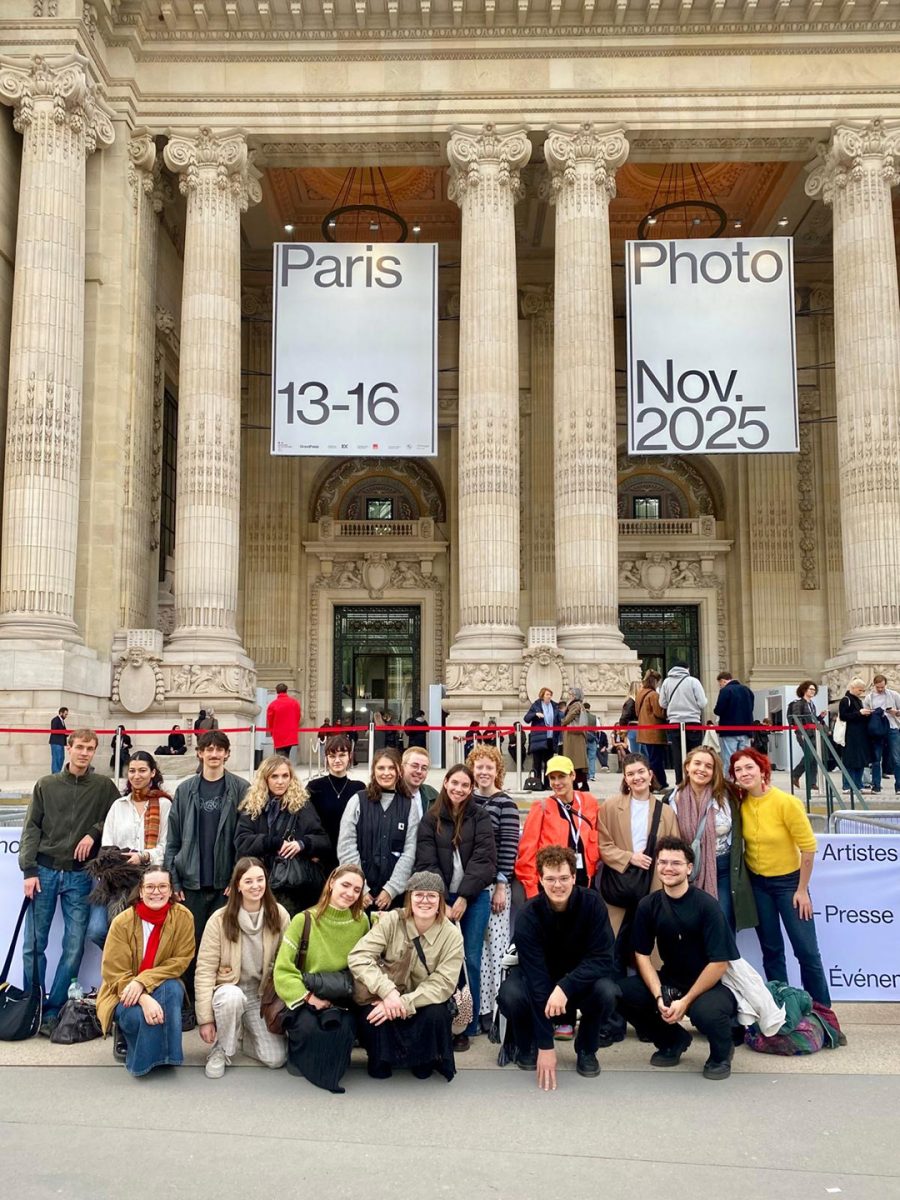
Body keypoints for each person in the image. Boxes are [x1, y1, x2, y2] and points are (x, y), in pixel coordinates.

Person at [19, 728, 119, 1035]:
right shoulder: (46, 785)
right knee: (34, 944)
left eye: (90, 748)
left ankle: (54, 1010)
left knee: (74, 945)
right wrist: (29, 870)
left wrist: (93, 831)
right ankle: (31, 1004)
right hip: (45, 871)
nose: (84, 753)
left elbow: (117, 816)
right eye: (80, 747)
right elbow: (32, 827)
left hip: (79, 876)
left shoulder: (104, 786)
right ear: (69, 748)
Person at [617, 837, 740, 1081]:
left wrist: (686, 1001)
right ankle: (672, 1041)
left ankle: (721, 1054)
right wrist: (658, 995)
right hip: (671, 980)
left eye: (676, 863)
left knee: (706, 1013)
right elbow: (641, 954)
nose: (668, 868)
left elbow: (720, 963)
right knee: (617, 992)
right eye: (663, 862)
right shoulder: (648, 905)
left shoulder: (708, 906)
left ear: (689, 868)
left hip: (711, 986)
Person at [498, 845, 619, 1088]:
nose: (558, 885)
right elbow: (537, 980)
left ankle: (586, 1049)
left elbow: (603, 958)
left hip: (578, 981)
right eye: (550, 879)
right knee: (510, 995)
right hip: (540, 978)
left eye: (564, 878)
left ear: (574, 877)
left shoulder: (593, 904)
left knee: (608, 992)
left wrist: (565, 986)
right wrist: (546, 1046)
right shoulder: (528, 914)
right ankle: (528, 1043)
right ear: (540, 880)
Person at [730, 747, 832, 1007]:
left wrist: (802, 889)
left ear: (763, 769)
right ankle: (783, 1008)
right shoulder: (740, 804)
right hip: (758, 885)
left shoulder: (786, 802)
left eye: (749, 767)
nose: (744, 773)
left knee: (806, 951)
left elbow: (808, 847)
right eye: (738, 769)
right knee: (772, 951)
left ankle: (822, 1011)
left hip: (789, 885)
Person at [348, 870, 465, 1081]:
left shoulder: (451, 935)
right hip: (387, 998)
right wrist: (388, 992)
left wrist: (402, 1002)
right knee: (371, 1016)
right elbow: (359, 956)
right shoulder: (392, 920)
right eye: (418, 894)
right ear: (409, 897)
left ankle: (423, 1059)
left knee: (437, 1014)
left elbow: (444, 983)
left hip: (420, 1003)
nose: (425, 901)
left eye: (432, 895)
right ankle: (381, 1058)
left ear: (440, 901)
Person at [164, 730, 250, 1004]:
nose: (214, 754)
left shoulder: (241, 788)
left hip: (225, 883)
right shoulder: (185, 790)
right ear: (200, 753)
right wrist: (173, 881)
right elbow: (173, 840)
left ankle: (218, 1002)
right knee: (191, 946)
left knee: (223, 947)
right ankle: (190, 1002)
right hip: (190, 883)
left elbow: (245, 841)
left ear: (227, 754)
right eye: (208, 749)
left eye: (219, 749)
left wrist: (237, 877)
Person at [414, 764, 496, 1049]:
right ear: (446, 782)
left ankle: (466, 1025)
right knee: (441, 962)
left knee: (469, 960)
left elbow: (484, 860)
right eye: (455, 783)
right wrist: (443, 901)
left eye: (465, 785)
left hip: (473, 899)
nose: (459, 789)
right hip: (439, 900)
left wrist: (463, 897)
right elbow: (427, 862)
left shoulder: (480, 816)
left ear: (471, 788)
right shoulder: (430, 819)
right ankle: (442, 1020)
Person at [274, 864, 370, 1093]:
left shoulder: (362, 922)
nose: (350, 893)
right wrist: (309, 998)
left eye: (357, 890)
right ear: (331, 882)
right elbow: (282, 970)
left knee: (341, 1028)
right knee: (309, 1027)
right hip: (308, 994)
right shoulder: (303, 920)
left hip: (342, 998)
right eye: (345, 885)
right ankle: (301, 1058)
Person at [96, 865, 195, 1077]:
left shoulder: (183, 917)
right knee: (139, 1017)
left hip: (159, 986)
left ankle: (166, 1057)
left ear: (170, 891)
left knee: (173, 989)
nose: (156, 892)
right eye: (150, 887)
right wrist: (142, 997)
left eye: (162, 886)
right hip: (122, 992)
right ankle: (139, 1059)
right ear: (140, 891)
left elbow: (181, 960)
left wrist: (143, 981)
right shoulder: (122, 922)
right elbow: (114, 972)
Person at [196, 857, 291, 1077]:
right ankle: (221, 1049)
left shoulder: (280, 915)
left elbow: (287, 962)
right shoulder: (219, 920)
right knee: (232, 997)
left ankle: (244, 1033)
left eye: (260, 879)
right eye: (248, 881)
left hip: (261, 995)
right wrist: (205, 1019)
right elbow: (205, 971)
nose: (255, 886)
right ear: (237, 885)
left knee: (276, 1059)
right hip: (229, 989)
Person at [596, 753, 678, 968]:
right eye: (630, 774)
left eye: (641, 772)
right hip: (620, 886)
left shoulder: (666, 812)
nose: (637, 777)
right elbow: (603, 845)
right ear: (625, 778)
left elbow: (674, 850)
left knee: (650, 951)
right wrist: (629, 857)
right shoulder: (611, 807)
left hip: (653, 886)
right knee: (614, 950)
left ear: (651, 775)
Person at [87, 751, 173, 949]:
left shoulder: (164, 804)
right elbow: (107, 842)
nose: (137, 775)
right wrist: (118, 860)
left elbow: (166, 845)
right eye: (132, 771)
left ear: (153, 773)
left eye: (142, 770)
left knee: (139, 936)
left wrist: (142, 856)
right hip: (115, 879)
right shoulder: (118, 805)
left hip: (148, 878)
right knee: (97, 930)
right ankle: (118, 970)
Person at [667, 747, 757, 933]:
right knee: (691, 927)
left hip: (723, 870)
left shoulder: (729, 795)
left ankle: (724, 961)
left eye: (709, 766)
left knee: (722, 921)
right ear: (687, 767)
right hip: (688, 872)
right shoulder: (673, 799)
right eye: (697, 763)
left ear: (714, 771)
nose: (702, 769)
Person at [234, 754, 330, 916]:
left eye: (285, 776)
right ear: (265, 779)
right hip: (261, 883)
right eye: (275, 776)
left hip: (295, 885)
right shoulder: (253, 805)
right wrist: (274, 842)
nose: (280, 781)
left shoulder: (302, 804)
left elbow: (323, 840)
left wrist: (302, 844)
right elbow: (241, 842)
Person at [466, 744, 520, 1029]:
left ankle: (498, 1010)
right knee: (474, 953)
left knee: (496, 950)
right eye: (479, 767)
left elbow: (510, 847)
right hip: (470, 887)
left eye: (489, 767)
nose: (484, 772)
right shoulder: (465, 800)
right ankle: (478, 1010)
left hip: (496, 886)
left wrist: (502, 883)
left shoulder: (506, 803)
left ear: (497, 771)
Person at [337, 747, 419, 910]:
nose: (386, 773)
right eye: (381, 768)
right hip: (358, 896)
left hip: (393, 898)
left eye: (391, 768)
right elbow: (346, 847)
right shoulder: (357, 801)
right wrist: (360, 888)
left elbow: (410, 851)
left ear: (399, 771)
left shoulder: (409, 805)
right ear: (373, 771)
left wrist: (391, 889)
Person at [516, 754, 600, 903]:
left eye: (561, 776)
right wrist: (533, 893)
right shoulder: (541, 807)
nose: (557, 782)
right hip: (552, 890)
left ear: (573, 775)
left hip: (584, 885)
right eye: (552, 778)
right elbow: (527, 854)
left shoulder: (589, 803)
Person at [305, 734, 366, 869]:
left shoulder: (359, 788)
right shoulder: (315, 787)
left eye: (342, 755)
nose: (337, 760)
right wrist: (311, 852)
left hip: (350, 855)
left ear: (349, 756)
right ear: (326, 758)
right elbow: (306, 822)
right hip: (321, 855)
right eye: (332, 756)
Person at [658, 661, 707, 783]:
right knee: (695, 754)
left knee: (677, 754)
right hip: (692, 721)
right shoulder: (693, 681)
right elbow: (702, 703)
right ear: (687, 669)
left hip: (674, 722)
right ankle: (694, 781)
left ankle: (680, 781)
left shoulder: (666, 682)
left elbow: (662, 703)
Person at [863, 674, 900, 794]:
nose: (880, 689)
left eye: (882, 687)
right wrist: (871, 713)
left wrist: (895, 712)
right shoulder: (869, 698)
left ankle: (898, 786)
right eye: (878, 687)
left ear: (886, 685)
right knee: (876, 759)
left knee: (896, 758)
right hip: (877, 729)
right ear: (874, 685)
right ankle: (876, 785)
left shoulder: (894, 695)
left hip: (892, 727)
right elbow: (865, 713)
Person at [714, 671, 756, 769]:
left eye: (720, 684)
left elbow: (719, 710)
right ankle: (743, 782)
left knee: (729, 759)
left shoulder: (725, 691)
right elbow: (751, 708)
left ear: (723, 681)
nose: (720, 686)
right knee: (745, 759)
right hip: (746, 730)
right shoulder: (747, 690)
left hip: (729, 731)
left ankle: (729, 783)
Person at [837, 678, 873, 793]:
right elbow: (843, 716)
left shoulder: (858, 700)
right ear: (853, 688)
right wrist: (859, 713)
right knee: (850, 760)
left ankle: (858, 784)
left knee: (860, 760)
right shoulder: (845, 700)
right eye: (859, 690)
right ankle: (847, 785)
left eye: (862, 690)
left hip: (860, 735)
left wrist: (866, 714)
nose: (861, 692)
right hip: (850, 735)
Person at [787, 679, 822, 793]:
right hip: (803, 733)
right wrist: (801, 732)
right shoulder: (798, 703)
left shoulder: (811, 704)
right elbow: (797, 718)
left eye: (814, 689)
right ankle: (795, 775)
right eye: (810, 689)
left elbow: (812, 719)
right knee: (810, 755)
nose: (813, 691)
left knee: (814, 757)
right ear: (804, 690)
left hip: (813, 733)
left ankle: (812, 782)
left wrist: (820, 717)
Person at [635, 671, 668, 790]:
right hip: (654, 732)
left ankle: (658, 782)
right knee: (656, 760)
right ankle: (658, 783)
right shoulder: (653, 695)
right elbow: (659, 713)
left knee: (650, 758)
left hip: (643, 731)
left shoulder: (640, 693)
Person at [523, 687, 560, 788]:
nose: (549, 697)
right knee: (537, 763)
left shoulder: (554, 706)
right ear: (542, 695)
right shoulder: (536, 705)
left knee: (549, 763)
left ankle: (548, 784)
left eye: (550, 695)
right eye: (547, 694)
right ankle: (538, 784)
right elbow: (526, 718)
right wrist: (535, 714)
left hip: (550, 738)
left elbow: (559, 720)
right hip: (539, 739)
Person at [561, 687, 589, 791]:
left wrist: (562, 721)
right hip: (574, 736)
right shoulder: (578, 705)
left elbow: (570, 717)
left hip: (574, 736)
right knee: (577, 761)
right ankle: (578, 783)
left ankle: (578, 783)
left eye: (571, 694)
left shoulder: (575, 705)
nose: (569, 696)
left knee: (575, 761)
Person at [401, 744, 438, 820]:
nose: (419, 771)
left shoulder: (433, 795)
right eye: (414, 766)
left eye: (424, 768)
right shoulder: (390, 794)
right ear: (402, 767)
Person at [266, 683, 302, 758]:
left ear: (276, 691)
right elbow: (298, 717)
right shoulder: (294, 703)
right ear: (286, 690)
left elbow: (270, 720)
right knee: (286, 754)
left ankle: (283, 768)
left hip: (278, 734)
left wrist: (272, 732)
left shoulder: (273, 704)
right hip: (291, 733)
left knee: (280, 755)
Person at [583, 701, 600, 781]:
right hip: (592, 739)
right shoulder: (594, 717)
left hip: (582, 739)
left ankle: (584, 775)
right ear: (589, 708)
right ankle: (592, 775)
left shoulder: (580, 717)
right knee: (592, 758)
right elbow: (598, 730)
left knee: (584, 758)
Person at [49, 706, 68, 774]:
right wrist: (64, 732)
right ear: (61, 713)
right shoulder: (55, 720)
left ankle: (57, 772)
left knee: (61, 758)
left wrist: (66, 733)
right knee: (56, 758)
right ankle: (55, 774)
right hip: (56, 742)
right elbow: (54, 730)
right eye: (65, 714)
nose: (66, 716)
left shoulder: (62, 721)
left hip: (61, 742)